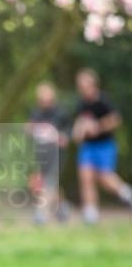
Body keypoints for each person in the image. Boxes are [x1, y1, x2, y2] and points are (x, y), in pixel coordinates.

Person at [72, 68, 132, 224]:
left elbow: (116, 119)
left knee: (105, 178)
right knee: (86, 177)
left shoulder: (103, 101)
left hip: (104, 145)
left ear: (93, 85)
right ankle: (90, 212)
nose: (83, 89)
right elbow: (80, 122)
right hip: (88, 147)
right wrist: (78, 132)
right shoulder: (82, 104)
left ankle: (127, 194)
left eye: (85, 85)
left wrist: (98, 127)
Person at [25, 82, 69, 224]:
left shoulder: (60, 113)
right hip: (41, 154)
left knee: (48, 181)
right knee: (41, 183)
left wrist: (61, 137)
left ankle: (41, 213)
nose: (43, 102)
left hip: (56, 154)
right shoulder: (36, 112)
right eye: (40, 99)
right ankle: (62, 207)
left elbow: (68, 134)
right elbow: (29, 129)